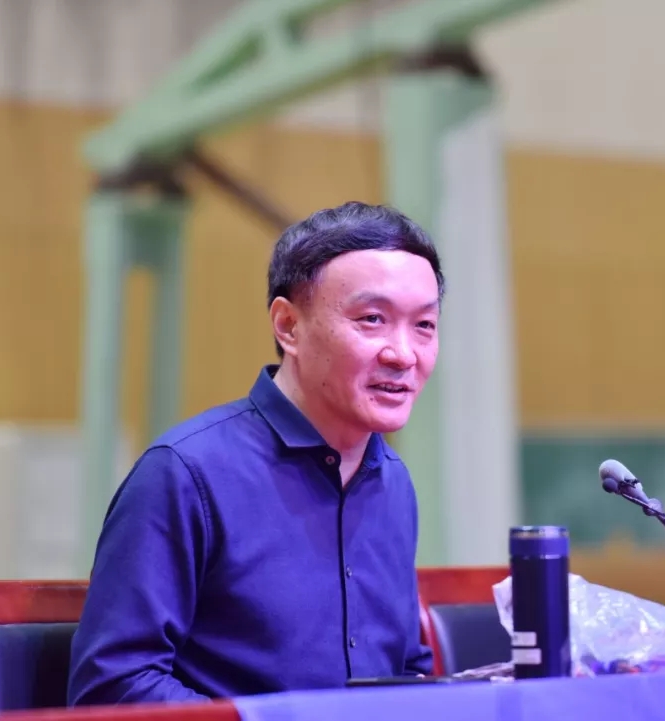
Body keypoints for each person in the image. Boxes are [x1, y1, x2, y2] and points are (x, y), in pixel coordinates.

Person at [67, 201, 443, 705]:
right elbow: (113, 687)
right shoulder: (186, 474)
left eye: (424, 326)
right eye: (372, 319)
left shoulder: (392, 481)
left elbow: (404, 670)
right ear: (288, 326)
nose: (404, 354)